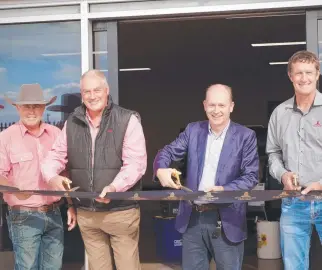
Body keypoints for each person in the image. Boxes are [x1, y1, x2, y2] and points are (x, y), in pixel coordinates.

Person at [41, 69, 147, 270]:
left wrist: (115, 187)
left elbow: (136, 164)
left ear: (106, 90)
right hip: (87, 214)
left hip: (120, 211)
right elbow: (54, 156)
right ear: (82, 94)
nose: (92, 96)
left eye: (96, 90)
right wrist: (52, 176)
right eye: (86, 92)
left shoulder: (127, 119)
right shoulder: (72, 122)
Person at [154, 84, 259, 270]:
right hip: (193, 219)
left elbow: (251, 176)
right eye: (212, 105)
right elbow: (168, 152)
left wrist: (225, 190)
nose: (216, 110)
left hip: (227, 219)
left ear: (231, 106)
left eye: (222, 105)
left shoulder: (246, 136)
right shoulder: (192, 131)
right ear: (204, 105)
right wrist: (161, 168)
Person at [0, 83, 77, 270]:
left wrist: (71, 205)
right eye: (26, 106)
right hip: (23, 215)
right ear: (18, 108)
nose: (31, 111)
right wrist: (15, 190)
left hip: (54, 212)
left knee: (54, 267)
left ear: (44, 108)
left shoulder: (56, 134)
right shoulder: (6, 137)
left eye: (36, 106)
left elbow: (64, 174)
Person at [266, 50, 322, 270]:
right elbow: (273, 153)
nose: (304, 78)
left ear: (318, 74)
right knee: (293, 266)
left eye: (309, 72)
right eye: (298, 73)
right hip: (293, 202)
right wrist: (283, 174)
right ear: (290, 76)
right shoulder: (280, 114)